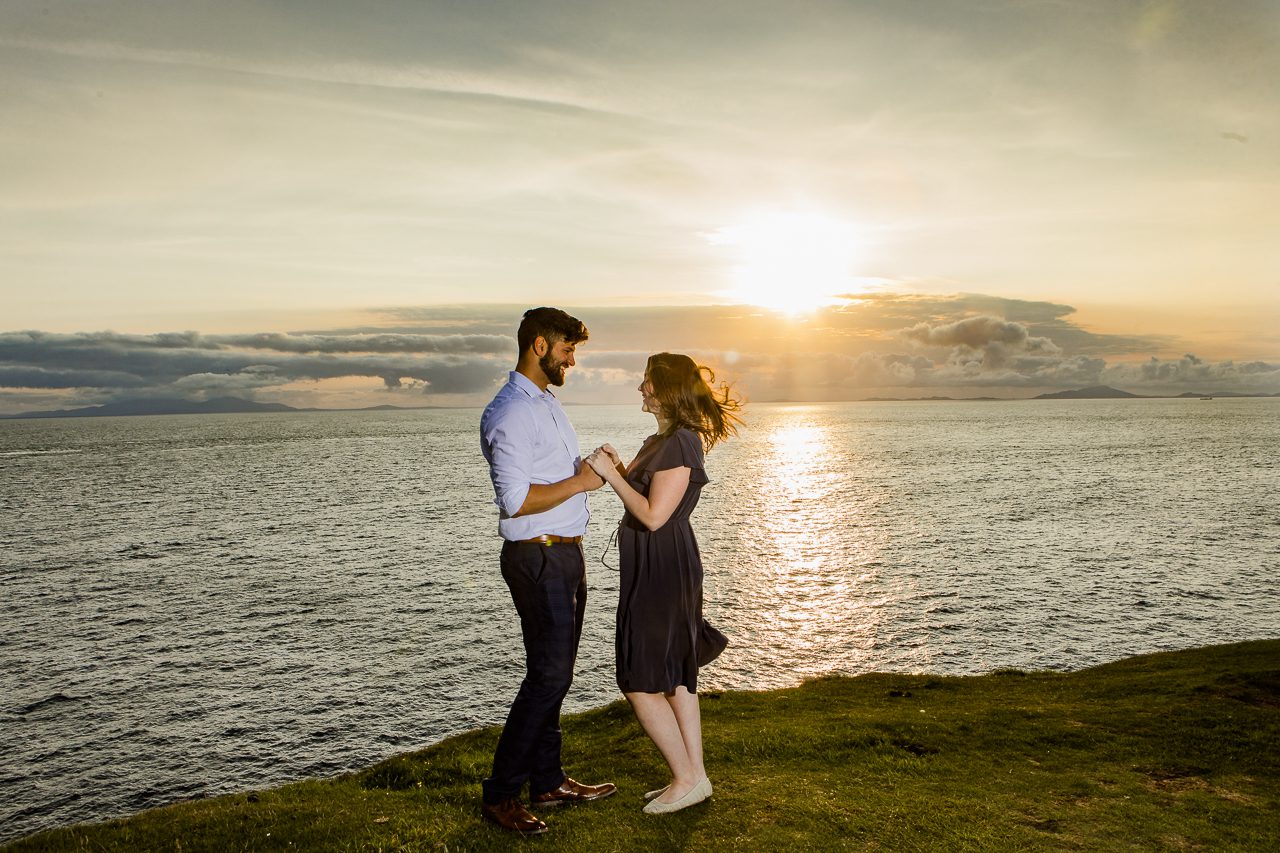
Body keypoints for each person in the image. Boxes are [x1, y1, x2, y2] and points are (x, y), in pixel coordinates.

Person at [478, 307, 617, 835]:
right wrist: (581, 483)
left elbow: (554, 475)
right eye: (567, 348)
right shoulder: (511, 411)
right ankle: (500, 795)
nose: (572, 359)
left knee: (555, 672)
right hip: (537, 557)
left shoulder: (545, 404)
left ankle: (549, 779)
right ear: (539, 345)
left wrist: (592, 467)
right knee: (549, 674)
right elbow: (513, 500)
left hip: (563, 554)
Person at [585, 352, 742, 815]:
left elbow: (654, 515)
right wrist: (620, 466)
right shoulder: (664, 440)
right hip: (660, 567)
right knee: (675, 677)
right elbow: (646, 493)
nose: (640, 389)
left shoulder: (680, 444)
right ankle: (694, 778)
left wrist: (611, 474)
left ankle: (686, 777)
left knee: (638, 679)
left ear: (667, 389)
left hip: (663, 570)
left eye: (647, 382)